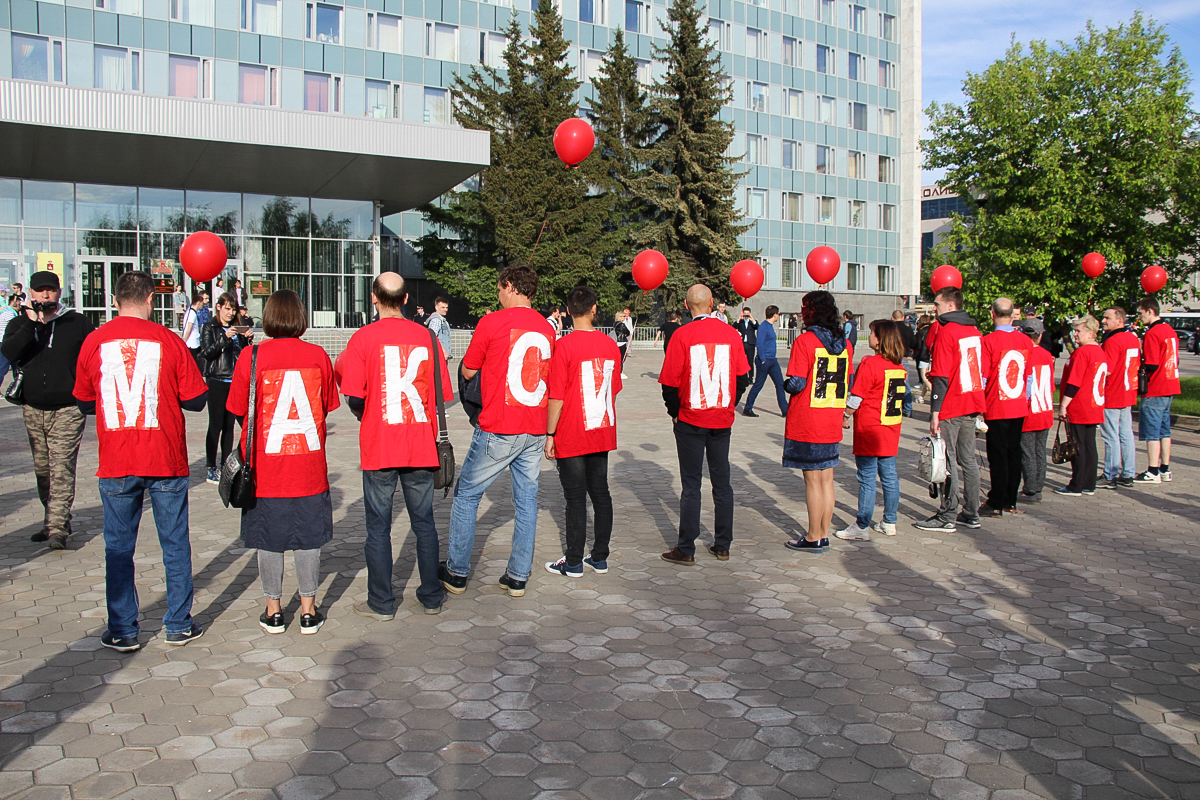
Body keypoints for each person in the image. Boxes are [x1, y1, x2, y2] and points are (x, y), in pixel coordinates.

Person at [72, 271, 208, 651]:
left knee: (118, 546)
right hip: (164, 456)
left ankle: (123, 628)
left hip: (116, 457)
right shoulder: (168, 340)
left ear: (116, 301)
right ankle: (179, 624)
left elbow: (83, 400)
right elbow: (196, 399)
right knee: (175, 544)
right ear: (150, 298)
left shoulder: (95, 341)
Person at [336, 273, 452, 618]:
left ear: (374, 298)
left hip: (380, 443)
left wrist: (365, 413)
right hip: (419, 443)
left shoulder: (362, 338)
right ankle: (431, 595)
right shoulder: (427, 337)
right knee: (425, 523)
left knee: (377, 527)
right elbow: (440, 395)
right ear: (405, 300)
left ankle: (382, 601)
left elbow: (354, 394)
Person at [227, 290, 339, 635]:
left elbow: (236, 408)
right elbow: (327, 405)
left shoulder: (251, 356)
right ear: (300, 318)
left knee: (268, 538)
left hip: (265, 467)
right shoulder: (318, 355)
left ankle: (273, 610)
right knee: (308, 539)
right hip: (307, 466)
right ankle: (308, 610)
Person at [440, 264, 554, 598]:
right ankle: (518, 576)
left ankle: (457, 572)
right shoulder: (548, 328)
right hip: (534, 427)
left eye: (500, 288)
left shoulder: (492, 321)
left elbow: (469, 367)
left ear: (509, 286)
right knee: (527, 502)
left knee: (466, 496)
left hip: (499, 425)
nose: (498, 294)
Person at [1, 271, 95, 548]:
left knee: (61, 467)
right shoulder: (19, 323)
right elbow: (8, 352)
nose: (45, 295)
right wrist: (31, 324)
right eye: (39, 290)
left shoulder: (76, 322)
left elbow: (92, 359)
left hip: (67, 408)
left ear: (59, 292)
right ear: (30, 293)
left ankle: (57, 530)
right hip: (32, 407)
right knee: (43, 469)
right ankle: (53, 520)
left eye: (50, 290)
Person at [659, 285, 750, 565]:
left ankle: (686, 548)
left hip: (690, 419)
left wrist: (674, 412)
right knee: (722, 483)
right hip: (721, 419)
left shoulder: (681, 335)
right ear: (712, 304)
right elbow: (744, 377)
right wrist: (730, 404)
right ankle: (723, 544)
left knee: (691, 485)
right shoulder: (732, 334)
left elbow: (669, 383)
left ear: (687, 306)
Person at [543, 286, 622, 577]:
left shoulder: (564, 346)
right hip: (601, 426)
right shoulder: (610, 344)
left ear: (567, 311)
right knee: (601, 493)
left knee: (575, 497)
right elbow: (614, 389)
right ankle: (600, 556)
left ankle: (574, 561)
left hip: (572, 429)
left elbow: (557, 396)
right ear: (594, 308)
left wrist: (549, 434)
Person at [782, 291, 850, 552]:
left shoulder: (805, 341)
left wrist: (784, 382)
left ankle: (812, 535)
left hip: (808, 419)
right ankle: (823, 533)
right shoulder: (845, 344)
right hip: (831, 415)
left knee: (812, 481)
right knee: (827, 479)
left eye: (803, 308)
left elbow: (797, 383)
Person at [915, 287, 986, 533]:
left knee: (947, 460)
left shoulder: (947, 332)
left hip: (952, 403)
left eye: (937, 304)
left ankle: (948, 514)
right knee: (968, 459)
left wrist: (935, 410)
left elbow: (941, 376)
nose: (934, 308)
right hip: (972, 400)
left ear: (950, 305)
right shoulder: (975, 331)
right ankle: (971, 512)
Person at [835, 319, 907, 540]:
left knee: (867, 477)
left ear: (881, 338)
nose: (870, 336)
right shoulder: (899, 367)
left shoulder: (870, 363)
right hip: (891, 426)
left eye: (873, 333)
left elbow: (857, 396)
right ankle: (889, 521)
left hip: (870, 426)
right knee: (889, 476)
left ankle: (862, 525)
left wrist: (845, 415)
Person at [979, 298, 1029, 517]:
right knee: (1014, 452)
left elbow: (983, 377)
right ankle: (1011, 498)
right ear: (1013, 314)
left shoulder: (988, 341)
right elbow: (1028, 376)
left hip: (997, 404)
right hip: (1017, 403)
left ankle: (996, 500)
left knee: (998, 455)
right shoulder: (1025, 341)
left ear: (992, 314)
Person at [199, 292, 252, 484]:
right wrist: (224, 338)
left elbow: (244, 356)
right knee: (216, 425)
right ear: (219, 308)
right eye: (227, 308)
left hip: (234, 381)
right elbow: (207, 353)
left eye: (233, 309)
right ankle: (211, 466)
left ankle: (225, 465)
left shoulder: (236, 327)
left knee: (229, 426)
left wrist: (246, 339)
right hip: (217, 380)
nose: (230, 313)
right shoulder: (209, 327)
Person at [1055, 315, 1107, 496]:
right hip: (1094, 403)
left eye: (1078, 331)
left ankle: (1076, 484)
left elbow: (1074, 382)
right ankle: (1088, 483)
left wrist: (1063, 406)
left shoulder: (1083, 353)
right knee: (1089, 445)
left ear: (1091, 333)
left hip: (1081, 404)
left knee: (1077, 446)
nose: (1074, 335)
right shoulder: (1100, 351)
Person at [1135, 297, 1180, 483]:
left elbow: (1152, 364)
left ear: (1150, 311)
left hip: (1156, 385)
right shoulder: (1170, 330)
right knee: (1164, 429)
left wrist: (1141, 352)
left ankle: (1152, 470)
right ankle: (1165, 468)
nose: (1139, 317)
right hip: (1170, 383)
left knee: (1151, 429)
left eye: (1141, 313)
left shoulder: (1152, 333)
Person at [1099, 306, 1139, 488]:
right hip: (1128, 391)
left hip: (1113, 393)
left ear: (1119, 320)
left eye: (1107, 318)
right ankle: (1129, 472)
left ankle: (1110, 474)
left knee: (1111, 435)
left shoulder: (1113, 341)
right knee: (1126, 434)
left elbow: (1107, 370)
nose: (1104, 321)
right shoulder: (1132, 339)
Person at [1017, 319, 1055, 503]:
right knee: (1039, 450)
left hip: (1030, 409)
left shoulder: (1025, 354)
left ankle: (1031, 487)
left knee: (1027, 451)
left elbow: (1026, 385)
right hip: (1045, 407)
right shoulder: (1046, 355)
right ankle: (1038, 483)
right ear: (1039, 336)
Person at [742, 305, 789, 417]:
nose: (778, 315)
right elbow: (759, 343)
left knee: (780, 384)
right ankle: (747, 408)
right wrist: (762, 359)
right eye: (778, 313)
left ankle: (785, 410)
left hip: (772, 360)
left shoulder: (770, 326)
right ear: (775, 315)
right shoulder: (764, 326)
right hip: (765, 361)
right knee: (758, 385)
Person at [892, 310, 917, 417]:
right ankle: (908, 409)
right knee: (905, 383)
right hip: (903, 357)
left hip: (892, 357)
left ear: (892, 318)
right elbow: (914, 344)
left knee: (892, 383)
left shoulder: (891, 330)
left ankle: (893, 406)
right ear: (903, 317)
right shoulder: (907, 329)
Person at [0, 293, 20, 389]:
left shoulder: (11, 312)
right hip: (4, 343)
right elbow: (16, 327)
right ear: (14, 302)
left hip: (11, 343)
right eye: (19, 301)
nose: (20, 304)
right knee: (3, 368)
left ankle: (19, 388)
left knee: (17, 368)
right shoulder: (9, 313)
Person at [734, 307, 758, 382]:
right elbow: (734, 327)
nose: (746, 315)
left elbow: (757, 327)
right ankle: (743, 378)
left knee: (750, 361)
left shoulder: (752, 322)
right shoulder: (740, 322)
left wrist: (752, 319)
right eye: (745, 314)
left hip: (751, 343)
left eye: (748, 314)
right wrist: (739, 318)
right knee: (742, 360)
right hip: (743, 343)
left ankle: (750, 378)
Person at [914, 313, 934, 402]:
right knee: (928, 378)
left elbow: (918, 345)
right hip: (932, 356)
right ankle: (921, 396)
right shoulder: (932, 330)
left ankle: (935, 395)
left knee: (924, 378)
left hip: (923, 356)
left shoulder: (921, 332)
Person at [615, 309, 634, 379]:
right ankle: (621, 372)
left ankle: (618, 371)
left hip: (617, 341)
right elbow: (627, 331)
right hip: (621, 341)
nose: (624, 317)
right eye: (623, 316)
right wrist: (627, 333)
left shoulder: (615, 324)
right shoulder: (622, 324)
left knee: (619, 357)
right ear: (619, 317)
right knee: (622, 358)